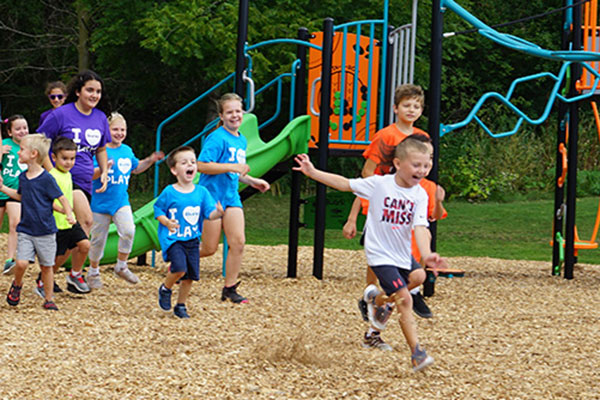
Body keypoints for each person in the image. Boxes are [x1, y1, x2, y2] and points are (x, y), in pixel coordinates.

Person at [293, 136, 447, 372]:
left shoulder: (420, 194)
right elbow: (345, 184)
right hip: (380, 254)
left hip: (401, 253)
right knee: (405, 299)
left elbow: (420, 228)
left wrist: (426, 255)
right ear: (397, 163)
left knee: (419, 277)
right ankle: (417, 353)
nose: (422, 170)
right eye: (416, 165)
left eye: (427, 165)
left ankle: (375, 300)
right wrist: (313, 172)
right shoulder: (380, 184)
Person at [343, 84, 436, 320]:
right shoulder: (385, 137)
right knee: (379, 254)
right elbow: (367, 172)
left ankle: (409, 291)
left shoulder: (422, 138)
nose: (412, 110)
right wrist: (356, 214)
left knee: (417, 243)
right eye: (407, 105)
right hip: (385, 203)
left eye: (417, 106)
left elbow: (425, 171)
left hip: (410, 202)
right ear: (396, 108)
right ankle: (370, 294)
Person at [197, 93, 270, 304]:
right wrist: (231, 167)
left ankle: (229, 288)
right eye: (229, 112)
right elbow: (202, 165)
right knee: (209, 248)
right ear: (221, 115)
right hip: (212, 197)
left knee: (238, 242)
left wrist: (252, 181)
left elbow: (235, 172)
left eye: (238, 111)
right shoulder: (217, 137)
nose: (235, 115)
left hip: (231, 197)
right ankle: (179, 261)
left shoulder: (241, 140)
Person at [38, 70, 111, 278]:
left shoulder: (100, 118)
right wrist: (50, 171)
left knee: (73, 236)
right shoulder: (61, 114)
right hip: (65, 181)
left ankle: (49, 276)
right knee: (86, 222)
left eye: (98, 91)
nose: (94, 95)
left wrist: (104, 170)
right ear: (78, 92)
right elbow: (40, 141)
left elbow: (101, 149)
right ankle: (75, 274)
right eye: (90, 90)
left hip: (85, 181)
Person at [87, 112, 164, 289]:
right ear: (107, 130)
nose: (119, 133)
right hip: (99, 202)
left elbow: (135, 168)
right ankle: (93, 271)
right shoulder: (100, 150)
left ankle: (121, 265)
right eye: (115, 129)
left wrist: (150, 160)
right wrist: (103, 168)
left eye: (123, 130)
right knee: (98, 239)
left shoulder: (127, 151)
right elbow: (90, 175)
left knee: (129, 230)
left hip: (120, 201)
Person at [0, 134, 76, 311]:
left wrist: (69, 214)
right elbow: (20, 196)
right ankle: (17, 284)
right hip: (26, 229)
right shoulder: (23, 177)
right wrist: (3, 188)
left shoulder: (47, 179)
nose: (19, 152)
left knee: (47, 267)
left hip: (46, 231)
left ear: (33, 154)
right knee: (21, 263)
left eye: (22, 150)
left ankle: (48, 299)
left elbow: (61, 198)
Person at [155, 146, 224, 318]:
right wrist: (166, 222)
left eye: (193, 162)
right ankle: (166, 288)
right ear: (174, 170)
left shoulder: (201, 192)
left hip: (192, 240)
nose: (190, 165)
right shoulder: (169, 192)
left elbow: (209, 213)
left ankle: (180, 305)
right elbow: (158, 209)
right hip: (173, 239)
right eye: (184, 162)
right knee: (179, 268)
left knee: (190, 276)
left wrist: (218, 213)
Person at [34, 137, 91, 298]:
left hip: (70, 222)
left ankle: (74, 274)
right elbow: (47, 200)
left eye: (72, 159)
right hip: (57, 224)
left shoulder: (68, 175)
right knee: (57, 259)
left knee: (85, 244)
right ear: (54, 158)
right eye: (64, 159)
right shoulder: (51, 176)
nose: (68, 163)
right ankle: (43, 281)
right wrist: (64, 210)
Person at [0, 115, 29, 275]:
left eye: (25, 128)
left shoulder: (29, 147)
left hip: (16, 192)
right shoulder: (4, 144)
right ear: (9, 132)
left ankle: (9, 260)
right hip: (1, 189)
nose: (22, 131)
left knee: (15, 223)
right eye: (18, 129)